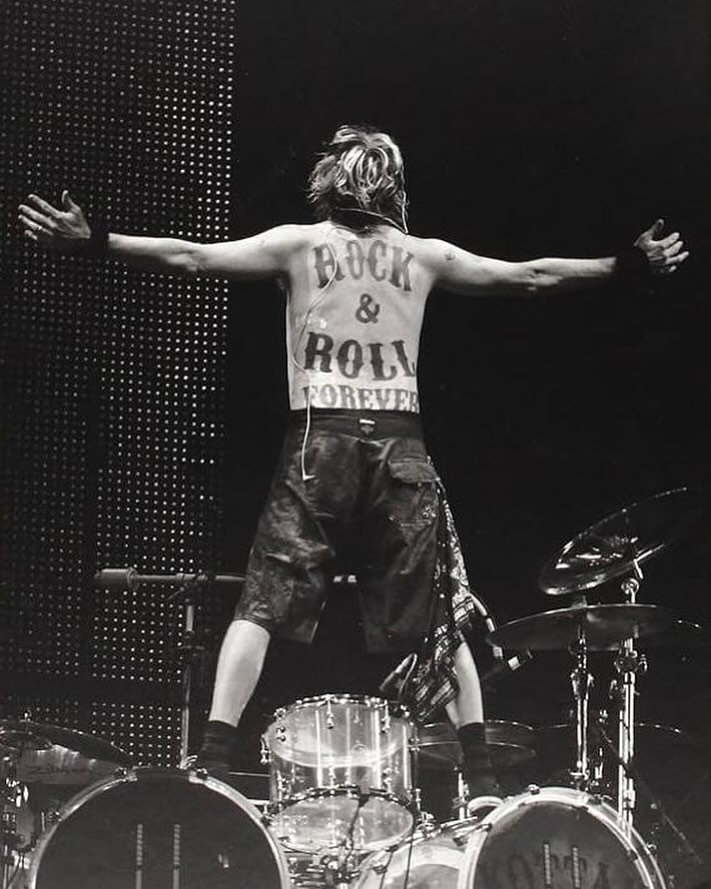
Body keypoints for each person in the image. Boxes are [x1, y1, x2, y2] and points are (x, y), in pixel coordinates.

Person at [18, 124, 688, 798]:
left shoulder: (300, 245)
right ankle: (480, 775)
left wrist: (96, 240)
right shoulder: (423, 255)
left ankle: (215, 762)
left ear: (328, 182)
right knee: (439, 616)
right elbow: (530, 278)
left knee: (262, 604)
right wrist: (624, 264)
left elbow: (193, 258)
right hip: (398, 445)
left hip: (322, 438)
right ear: (393, 188)